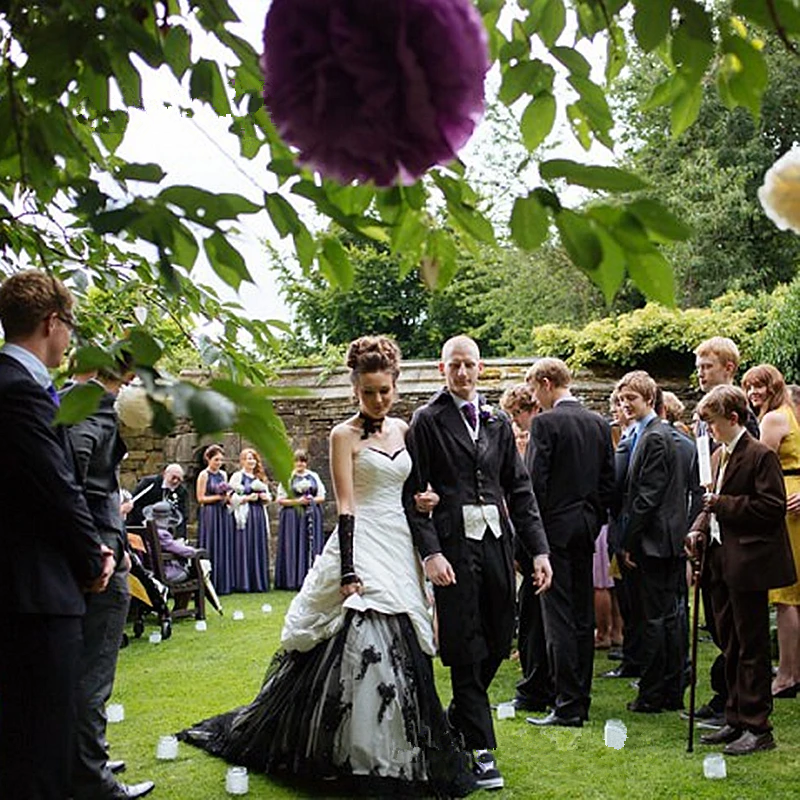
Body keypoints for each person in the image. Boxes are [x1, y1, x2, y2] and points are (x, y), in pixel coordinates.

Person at [180, 336, 473, 797]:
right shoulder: (342, 435)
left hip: (399, 540)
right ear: (355, 389)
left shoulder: (405, 430)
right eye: (368, 392)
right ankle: (354, 751)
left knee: (405, 643)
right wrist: (349, 572)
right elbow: (346, 506)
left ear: (395, 385)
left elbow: (413, 487)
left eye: (385, 390)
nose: (378, 399)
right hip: (362, 541)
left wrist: (425, 499)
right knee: (362, 632)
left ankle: (397, 749)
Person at [403, 335, 552, 791]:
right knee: (465, 643)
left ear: (481, 368)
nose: (462, 373)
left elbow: (521, 491)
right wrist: (430, 552)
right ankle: (480, 749)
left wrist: (539, 550)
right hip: (451, 545)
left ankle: (454, 719)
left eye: (469, 365)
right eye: (454, 366)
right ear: (441, 369)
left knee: (497, 632)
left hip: (496, 544)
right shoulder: (425, 421)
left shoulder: (498, 422)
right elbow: (414, 494)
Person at [0, 269, 115, 799]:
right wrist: (93, 560)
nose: (69, 339)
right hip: (36, 595)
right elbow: (57, 488)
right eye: (68, 325)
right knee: (40, 750)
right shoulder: (21, 391)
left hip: (25, 591)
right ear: (52, 322)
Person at [63, 355, 156, 800]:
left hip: (94, 554)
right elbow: (76, 485)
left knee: (86, 672)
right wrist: (101, 549)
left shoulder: (76, 405)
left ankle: (87, 754)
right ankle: (93, 777)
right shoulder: (92, 411)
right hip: (97, 564)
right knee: (94, 673)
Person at [688, 385, 796, 755]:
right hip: (722, 562)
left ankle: (757, 726)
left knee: (751, 646)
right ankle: (735, 718)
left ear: (733, 419)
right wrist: (698, 528)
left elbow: (770, 506)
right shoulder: (721, 455)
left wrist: (722, 504)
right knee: (730, 643)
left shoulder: (760, 455)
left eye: (713, 424)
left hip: (750, 563)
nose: (709, 430)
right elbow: (711, 506)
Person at [524, 358, 615, 728]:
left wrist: (532, 541)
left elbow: (534, 485)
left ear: (546, 383)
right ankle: (581, 699)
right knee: (582, 616)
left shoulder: (544, 424)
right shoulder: (597, 423)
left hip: (553, 533)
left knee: (558, 618)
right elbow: (609, 480)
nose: (534, 400)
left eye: (533, 391)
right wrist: (593, 518)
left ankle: (566, 705)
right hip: (585, 529)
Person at [690, 336, 760, 727]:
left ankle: (739, 702)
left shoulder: (739, 423)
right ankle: (730, 700)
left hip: (737, 539)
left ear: (728, 369)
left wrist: (719, 506)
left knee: (738, 632)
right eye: (698, 366)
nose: (701, 372)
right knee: (719, 624)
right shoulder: (706, 420)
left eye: (708, 366)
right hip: (711, 529)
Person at [615, 370, 687, 713]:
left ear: (649, 398)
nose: (624, 404)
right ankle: (668, 689)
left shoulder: (655, 436)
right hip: (659, 539)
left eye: (631, 398)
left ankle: (655, 693)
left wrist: (628, 540)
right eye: (621, 398)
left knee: (656, 620)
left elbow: (647, 496)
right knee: (665, 618)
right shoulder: (650, 433)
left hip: (655, 542)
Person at [741, 363, 800, 698]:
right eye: (749, 388)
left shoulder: (772, 418)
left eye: (759, 387)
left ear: (773, 387)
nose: (753, 394)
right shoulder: (791, 412)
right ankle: (794, 667)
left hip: (784, 505)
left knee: (785, 596)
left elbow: (759, 464)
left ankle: (788, 675)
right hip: (793, 496)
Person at [500, 383, 551, 712]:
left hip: (539, 542)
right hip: (546, 540)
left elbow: (529, 502)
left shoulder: (539, 439)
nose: (515, 424)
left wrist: (526, 550)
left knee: (534, 617)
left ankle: (535, 688)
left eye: (515, 416)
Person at [274, 449, 326, 590]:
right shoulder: (288, 478)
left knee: (310, 544)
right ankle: (291, 579)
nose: (300, 464)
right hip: (292, 516)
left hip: (311, 513)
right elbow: (280, 500)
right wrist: (298, 502)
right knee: (293, 544)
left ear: (306, 463)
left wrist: (310, 501)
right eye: (297, 461)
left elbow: (322, 496)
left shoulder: (313, 476)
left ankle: (311, 577)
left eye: (302, 461)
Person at [228, 448, 272, 592]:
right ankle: (243, 582)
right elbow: (230, 497)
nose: (251, 461)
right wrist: (246, 498)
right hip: (245, 515)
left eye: (253, 458)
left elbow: (268, 496)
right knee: (244, 545)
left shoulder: (259, 478)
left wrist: (265, 498)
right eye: (248, 458)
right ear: (242, 461)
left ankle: (258, 582)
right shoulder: (237, 477)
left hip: (258, 514)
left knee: (258, 544)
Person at [196, 444, 235, 594]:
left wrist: (228, 498)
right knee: (212, 543)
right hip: (210, 513)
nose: (219, 463)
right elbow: (200, 498)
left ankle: (224, 582)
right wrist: (218, 497)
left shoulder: (223, 475)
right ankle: (209, 581)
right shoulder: (204, 475)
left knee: (223, 543)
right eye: (216, 460)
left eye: (221, 460)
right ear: (208, 459)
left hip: (222, 512)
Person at [143, 501, 203, 583]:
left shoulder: (146, 531)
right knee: (196, 571)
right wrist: (195, 551)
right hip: (165, 572)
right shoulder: (161, 534)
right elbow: (180, 550)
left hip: (151, 569)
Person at [129, 464, 188, 538]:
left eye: (179, 479)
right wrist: (143, 520)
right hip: (140, 524)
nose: (175, 481)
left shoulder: (181, 491)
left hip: (165, 529)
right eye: (173, 477)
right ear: (165, 474)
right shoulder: (150, 483)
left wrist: (181, 536)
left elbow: (182, 515)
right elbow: (134, 501)